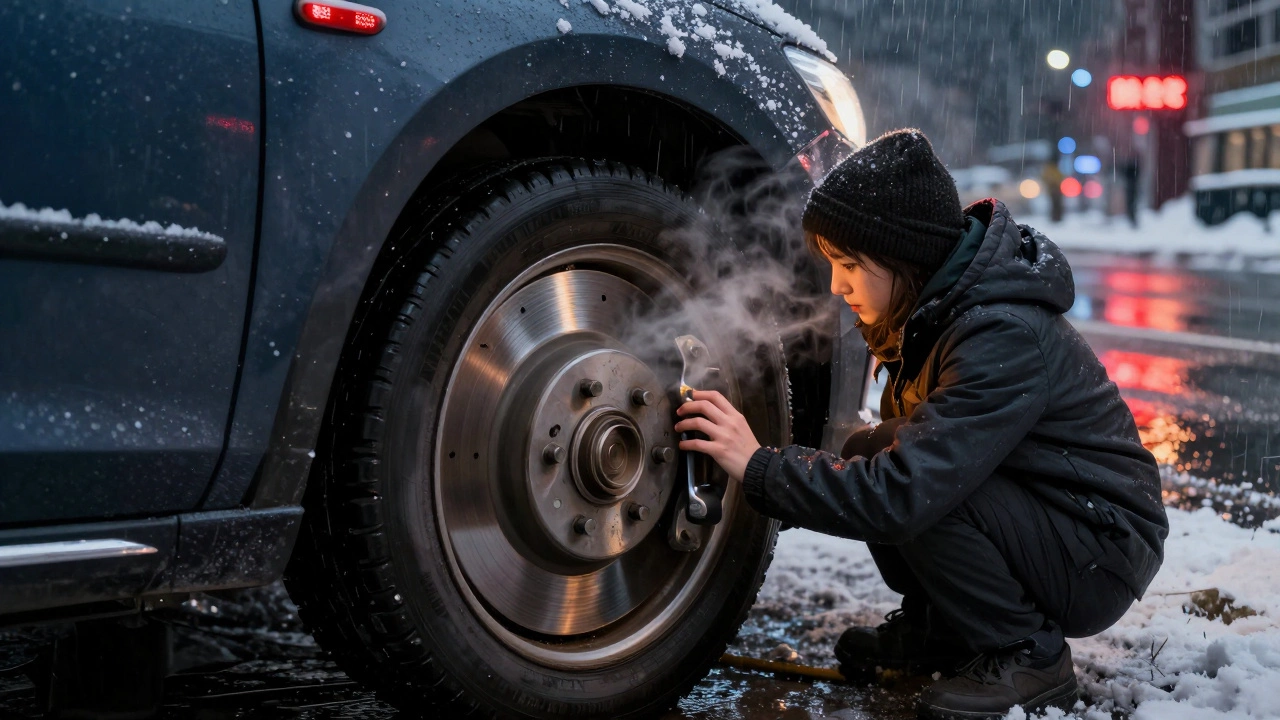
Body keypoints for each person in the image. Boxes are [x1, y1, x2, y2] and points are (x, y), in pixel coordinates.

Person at [674, 129, 1168, 720]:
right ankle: (946, 629)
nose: (836, 285)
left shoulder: (998, 334)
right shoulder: (936, 314)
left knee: (924, 487)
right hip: (1060, 522)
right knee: (870, 446)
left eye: (851, 264)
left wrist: (759, 466)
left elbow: (906, 493)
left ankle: (1028, 657)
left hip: (1101, 550)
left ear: (903, 257)